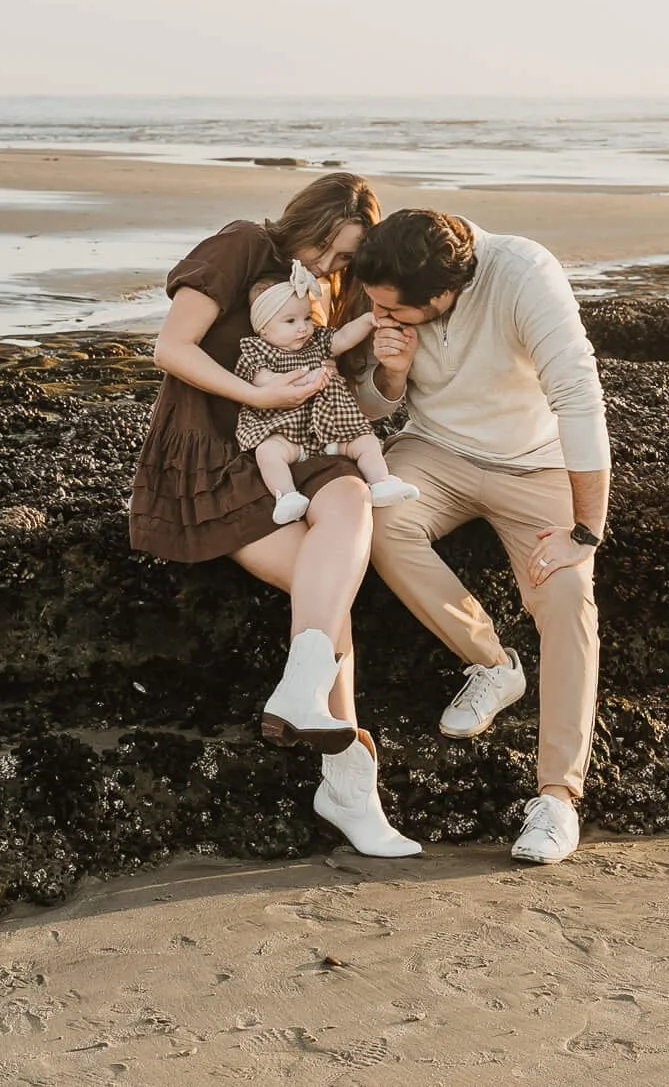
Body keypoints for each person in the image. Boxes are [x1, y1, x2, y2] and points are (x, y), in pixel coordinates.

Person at [128, 173, 420, 858]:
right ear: (304, 222)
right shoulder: (242, 245)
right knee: (331, 593)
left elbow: (343, 397)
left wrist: (394, 373)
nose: (328, 265)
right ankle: (349, 781)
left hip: (303, 447)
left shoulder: (337, 290)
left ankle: (301, 687)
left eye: (345, 257)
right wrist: (255, 400)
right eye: (326, 247)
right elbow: (171, 348)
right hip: (216, 455)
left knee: (350, 497)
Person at [353, 210, 609, 865]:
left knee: (566, 592)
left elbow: (579, 396)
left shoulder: (524, 275)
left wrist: (586, 528)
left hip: (535, 461)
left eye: (390, 308)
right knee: (374, 518)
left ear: (441, 296)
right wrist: (389, 371)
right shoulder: (393, 270)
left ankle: (556, 797)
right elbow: (374, 407)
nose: (375, 312)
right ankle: (494, 665)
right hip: (435, 449)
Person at [233, 278, 419, 525]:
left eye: (307, 318)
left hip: (332, 429)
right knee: (267, 452)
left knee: (366, 441)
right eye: (290, 321)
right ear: (263, 328)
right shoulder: (257, 351)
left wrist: (366, 321)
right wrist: (304, 378)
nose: (303, 327)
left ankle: (381, 483)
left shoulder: (316, 341)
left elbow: (342, 338)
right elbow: (263, 380)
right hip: (287, 432)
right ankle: (286, 496)